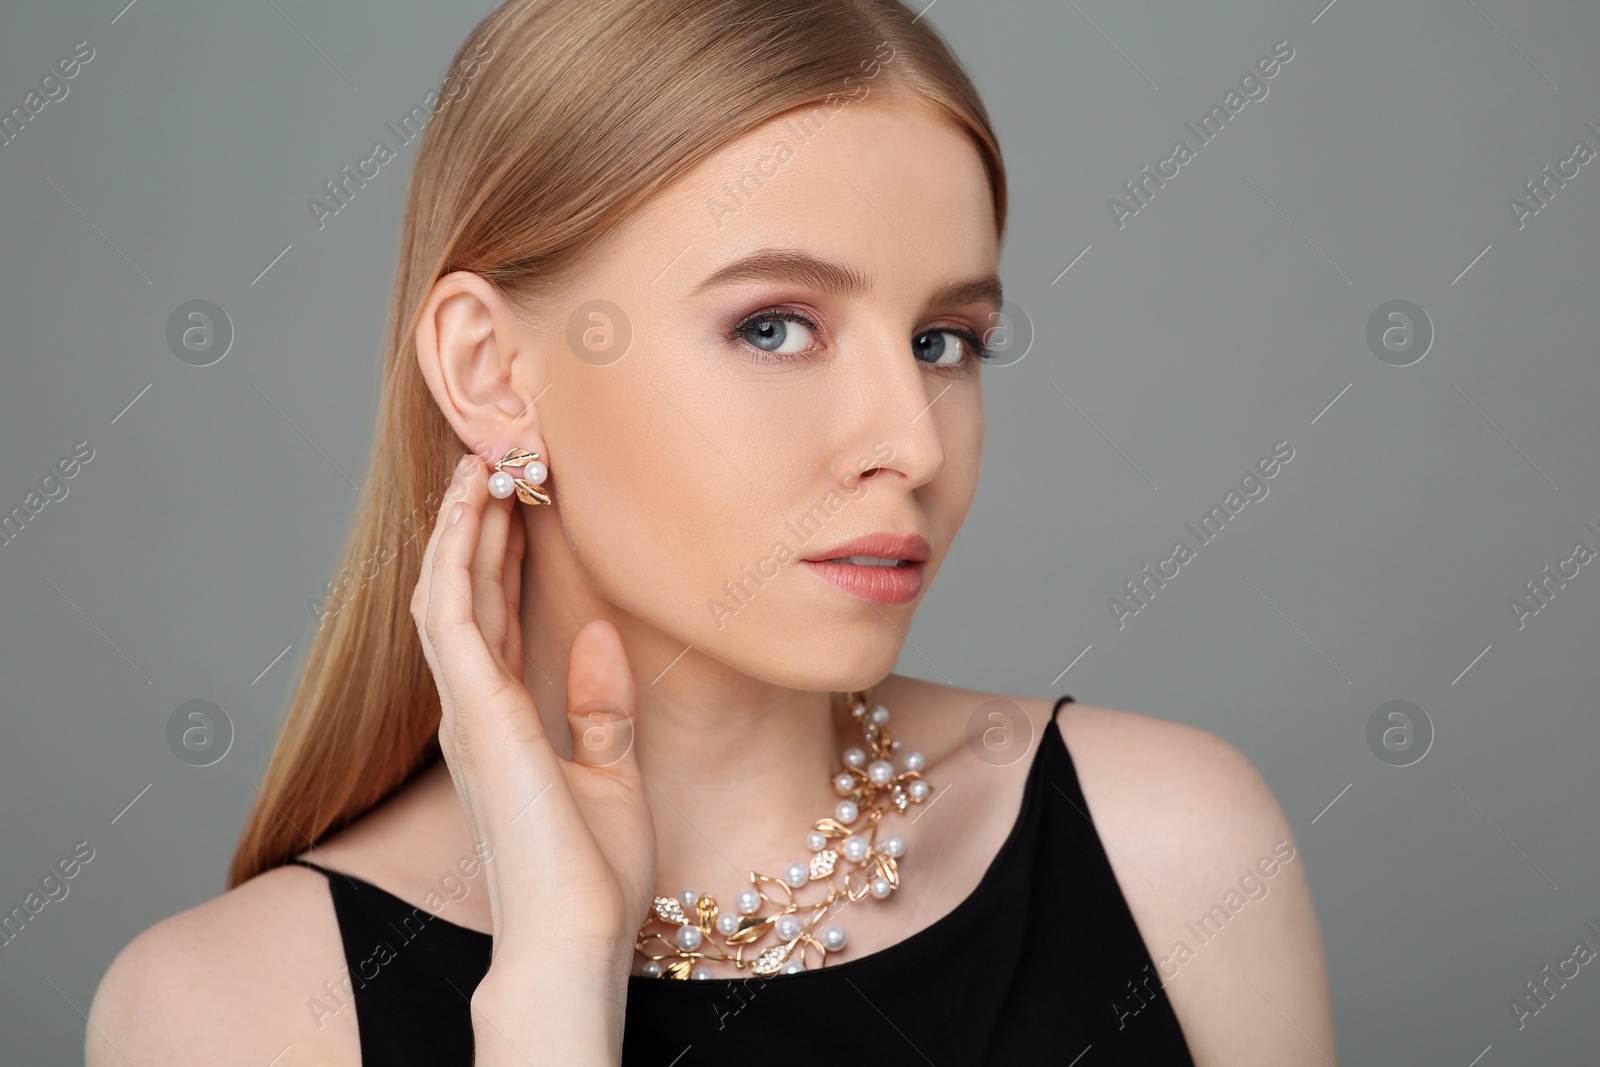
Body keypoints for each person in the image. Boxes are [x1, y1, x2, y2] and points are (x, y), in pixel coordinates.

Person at [86, 0, 1336, 1062]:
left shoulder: (1166, 846)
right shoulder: (232, 1011)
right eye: (774, 326)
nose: (912, 439)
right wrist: (554, 992)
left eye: (942, 341)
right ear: (493, 371)